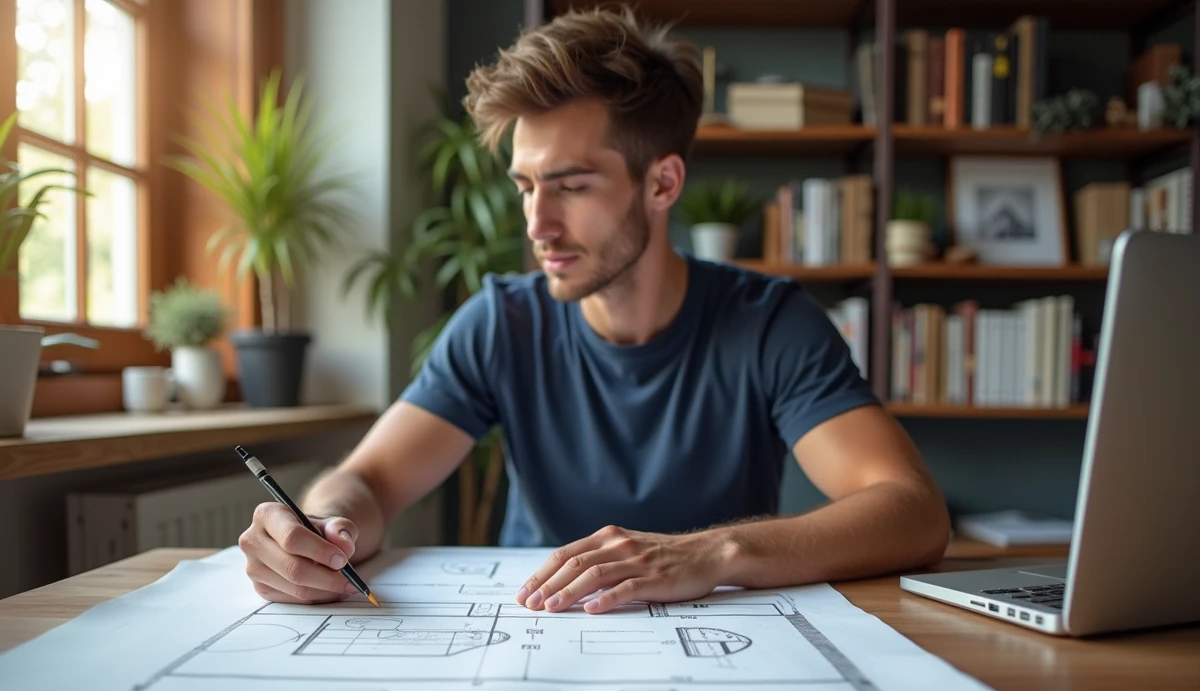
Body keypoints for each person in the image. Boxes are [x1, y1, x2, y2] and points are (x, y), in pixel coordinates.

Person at [238, 6, 950, 614]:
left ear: (662, 182)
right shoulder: (501, 323)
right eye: (525, 187)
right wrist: (323, 526)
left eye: (571, 186)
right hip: (534, 631)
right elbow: (371, 481)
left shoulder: (768, 323)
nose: (536, 224)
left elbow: (910, 510)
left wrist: (710, 553)